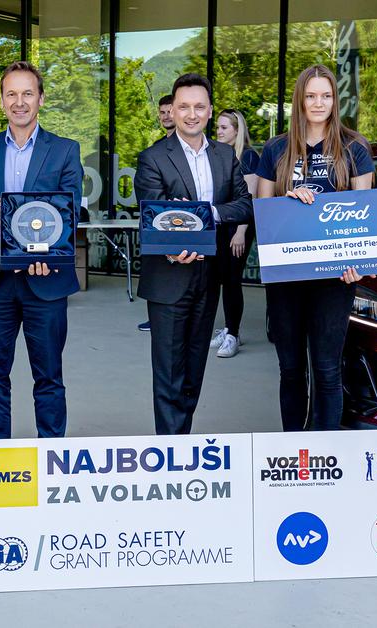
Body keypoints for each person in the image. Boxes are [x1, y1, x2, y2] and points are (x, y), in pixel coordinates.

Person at [0, 61, 83, 439]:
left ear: (41, 99)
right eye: (11, 94)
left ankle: (51, 456)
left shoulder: (65, 150)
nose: (20, 102)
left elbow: (70, 212)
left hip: (46, 280)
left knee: (49, 376)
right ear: (2, 101)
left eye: (27, 93)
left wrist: (45, 254)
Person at [256, 64, 375, 432]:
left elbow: (365, 214)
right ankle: (294, 448)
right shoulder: (276, 148)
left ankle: (326, 451)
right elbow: (262, 213)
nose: (318, 103)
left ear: (335, 101)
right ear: (300, 100)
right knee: (291, 369)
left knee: (326, 369)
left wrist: (358, 262)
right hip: (287, 276)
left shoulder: (355, 147)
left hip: (335, 279)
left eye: (326, 95)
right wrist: (288, 203)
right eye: (311, 96)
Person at [135, 73, 254, 435]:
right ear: (172, 110)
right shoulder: (153, 157)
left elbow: (244, 204)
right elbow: (153, 214)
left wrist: (206, 213)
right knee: (169, 374)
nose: (191, 114)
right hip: (168, 277)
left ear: (210, 110)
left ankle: (181, 439)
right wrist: (175, 243)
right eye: (183, 106)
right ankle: (171, 449)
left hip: (209, 276)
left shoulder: (224, 155)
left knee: (193, 371)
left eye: (199, 106)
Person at [211, 109, 260, 358]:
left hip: (238, 227)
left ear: (237, 130)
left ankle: (233, 334)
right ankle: (228, 328)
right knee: (220, 278)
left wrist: (240, 232)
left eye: (224, 127)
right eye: (217, 127)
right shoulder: (220, 154)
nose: (218, 132)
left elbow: (249, 198)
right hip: (220, 225)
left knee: (231, 280)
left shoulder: (248, 156)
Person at [138, 94, 177, 333]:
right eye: (162, 113)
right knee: (158, 273)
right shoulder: (153, 152)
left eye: (169, 111)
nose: (166, 116)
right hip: (159, 224)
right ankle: (156, 319)